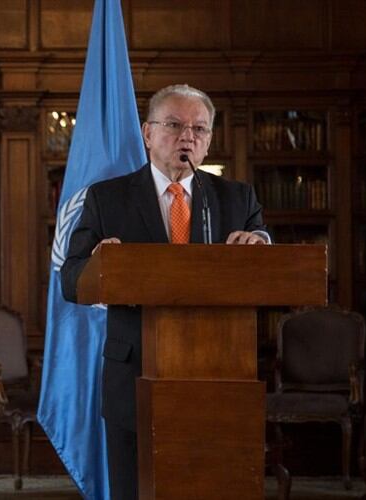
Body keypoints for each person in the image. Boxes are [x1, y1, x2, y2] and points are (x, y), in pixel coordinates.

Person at [60, 84, 270, 500]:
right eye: (174, 125)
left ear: (209, 139)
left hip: (217, 374)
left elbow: (267, 258)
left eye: (199, 129)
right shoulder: (108, 198)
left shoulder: (235, 197)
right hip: (135, 372)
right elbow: (70, 279)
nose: (187, 136)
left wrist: (260, 244)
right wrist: (100, 266)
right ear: (148, 133)